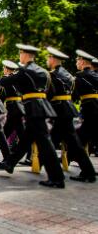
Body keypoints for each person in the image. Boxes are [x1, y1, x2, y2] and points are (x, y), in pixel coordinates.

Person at [0, 44, 65, 188]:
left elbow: (4, 82)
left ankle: (57, 178)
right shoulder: (44, 72)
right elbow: (50, 92)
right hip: (41, 106)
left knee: (45, 143)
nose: (20, 56)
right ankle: (10, 163)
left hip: (33, 108)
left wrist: (6, 76)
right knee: (26, 139)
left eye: (20, 54)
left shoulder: (24, 70)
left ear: (25, 55)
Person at [46, 47, 95, 182]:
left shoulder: (56, 75)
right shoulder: (68, 74)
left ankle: (56, 177)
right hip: (69, 111)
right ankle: (88, 172)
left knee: (51, 143)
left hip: (65, 111)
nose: (76, 62)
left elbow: (51, 94)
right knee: (73, 143)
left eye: (78, 60)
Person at [73, 50, 98, 169]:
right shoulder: (95, 74)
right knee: (82, 139)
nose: (76, 62)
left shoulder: (80, 76)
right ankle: (70, 157)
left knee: (80, 139)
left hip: (89, 109)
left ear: (82, 61)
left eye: (77, 60)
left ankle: (87, 171)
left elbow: (73, 95)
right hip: (95, 108)